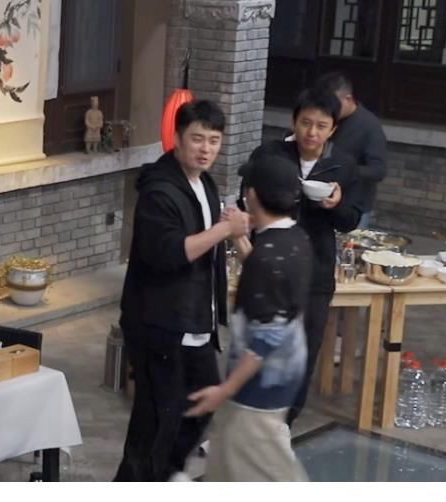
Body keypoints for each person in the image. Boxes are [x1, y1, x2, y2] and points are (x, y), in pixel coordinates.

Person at [115, 100, 250, 481]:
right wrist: (225, 230)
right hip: (160, 324)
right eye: (197, 139)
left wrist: (228, 230)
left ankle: (168, 475)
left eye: (214, 140)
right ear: (176, 138)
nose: (206, 149)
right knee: (156, 422)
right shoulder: (159, 192)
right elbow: (171, 253)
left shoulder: (204, 183)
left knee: (202, 403)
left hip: (195, 321)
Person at [186, 155, 313, 482]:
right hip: (283, 380)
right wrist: (239, 236)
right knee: (229, 461)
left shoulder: (268, 257)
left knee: (265, 472)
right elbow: (269, 280)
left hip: (258, 390)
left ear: (251, 194)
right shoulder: (296, 240)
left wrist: (224, 389)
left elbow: (266, 338)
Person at [240, 89, 363, 426]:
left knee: (302, 356)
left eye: (321, 126)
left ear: (333, 129)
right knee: (258, 348)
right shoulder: (270, 155)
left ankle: (281, 425)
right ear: (294, 121)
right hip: (269, 267)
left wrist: (336, 205)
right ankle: (248, 423)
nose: (312, 132)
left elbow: (351, 220)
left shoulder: (343, 164)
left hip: (316, 273)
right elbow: (246, 197)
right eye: (306, 123)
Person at [313, 72, 387, 229]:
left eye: (333, 103)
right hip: (322, 201)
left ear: (348, 99)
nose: (329, 109)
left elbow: (378, 170)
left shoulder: (369, 126)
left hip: (353, 206)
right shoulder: (327, 119)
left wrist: (343, 169)